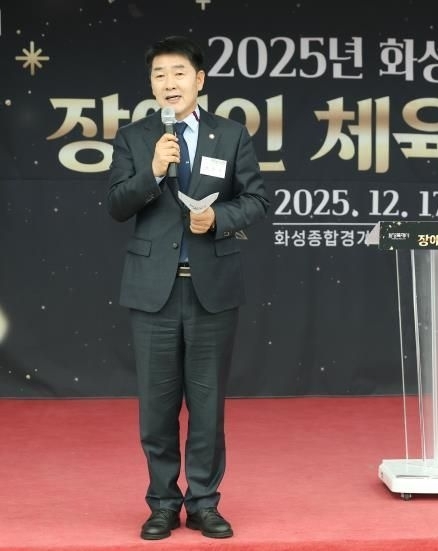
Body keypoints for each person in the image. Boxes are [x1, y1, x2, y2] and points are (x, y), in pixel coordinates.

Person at [107, 35, 269, 540]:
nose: (169, 83)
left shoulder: (231, 134)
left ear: (199, 79)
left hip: (210, 290)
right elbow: (117, 205)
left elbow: (257, 200)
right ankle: (161, 503)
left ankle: (203, 503)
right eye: (159, 75)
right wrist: (153, 171)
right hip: (152, 292)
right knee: (156, 409)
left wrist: (218, 219)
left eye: (178, 73)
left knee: (207, 405)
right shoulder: (134, 138)